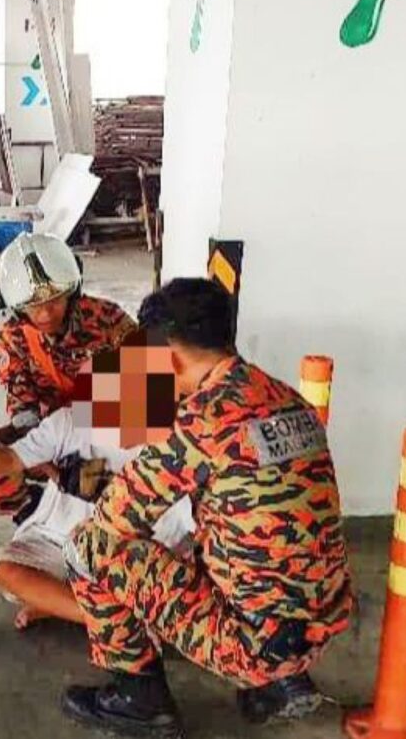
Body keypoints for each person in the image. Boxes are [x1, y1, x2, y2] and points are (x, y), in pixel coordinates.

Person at [61, 278, 354, 736]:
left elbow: (116, 518)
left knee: (87, 545)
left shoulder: (202, 418)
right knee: (220, 536)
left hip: (254, 647)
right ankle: (281, 684)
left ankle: (139, 700)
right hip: (320, 624)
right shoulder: (285, 397)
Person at [0, 332, 194, 631]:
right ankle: (105, 618)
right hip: (57, 542)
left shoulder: (182, 445)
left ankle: (66, 606)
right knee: (4, 569)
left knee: (181, 581)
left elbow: (189, 531)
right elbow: (10, 459)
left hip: (135, 554)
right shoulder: (71, 421)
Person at [0, 232, 137, 517]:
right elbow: (25, 416)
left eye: (55, 300)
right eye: (33, 305)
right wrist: (55, 470)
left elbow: (148, 388)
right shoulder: (10, 342)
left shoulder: (108, 320)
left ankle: (108, 499)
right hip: (52, 434)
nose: (45, 313)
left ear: (71, 291)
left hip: (109, 427)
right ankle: (33, 510)